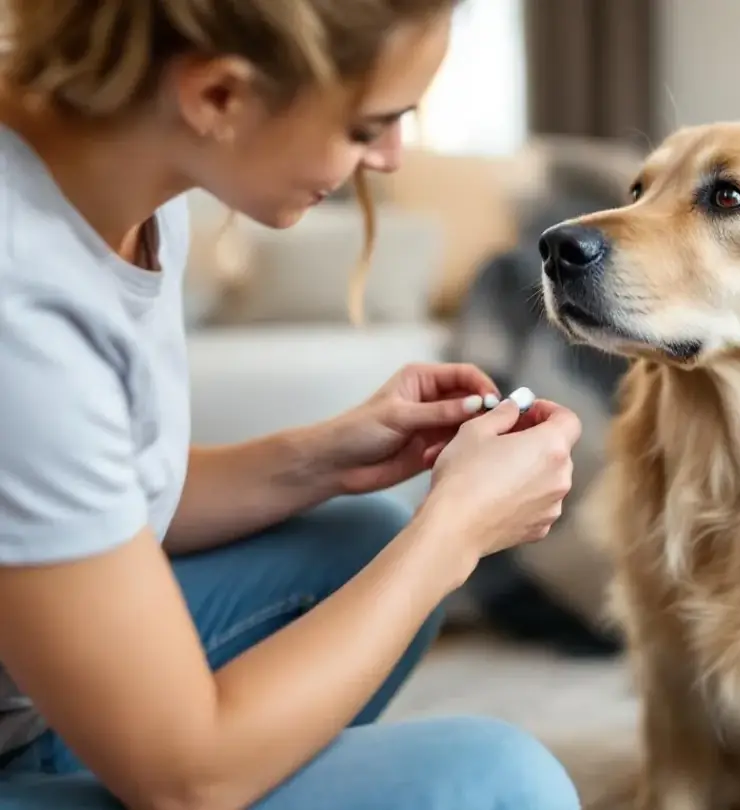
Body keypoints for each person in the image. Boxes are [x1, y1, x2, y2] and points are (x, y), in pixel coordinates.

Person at [0, 1, 584, 808]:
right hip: (90, 749)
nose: (390, 159)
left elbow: (93, 499)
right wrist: (454, 534)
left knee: (355, 543)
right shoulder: (21, 301)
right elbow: (186, 779)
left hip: (28, 695)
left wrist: (324, 456)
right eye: (367, 126)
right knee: (495, 784)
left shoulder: (134, 180)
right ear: (216, 97)